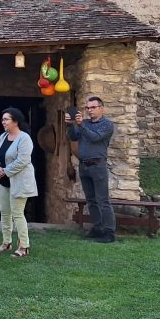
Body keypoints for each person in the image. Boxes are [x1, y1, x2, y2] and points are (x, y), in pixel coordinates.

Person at [67, 96, 117, 243]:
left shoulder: (107, 124)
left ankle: (109, 232)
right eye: (88, 108)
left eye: (93, 107)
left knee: (103, 200)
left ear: (101, 108)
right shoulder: (85, 123)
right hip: (84, 166)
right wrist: (70, 125)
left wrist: (81, 125)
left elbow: (95, 137)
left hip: (98, 165)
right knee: (91, 200)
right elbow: (74, 137)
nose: (90, 110)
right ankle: (98, 228)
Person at [0, 107, 38, 258]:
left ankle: (24, 246)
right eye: (2, 119)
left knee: (17, 213)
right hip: (4, 181)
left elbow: (23, 161)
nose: (3, 122)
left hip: (19, 181)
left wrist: (5, 171)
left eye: (6, 119)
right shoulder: (3, 136)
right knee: (5, 212)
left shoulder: (24, 138)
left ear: (15, 121)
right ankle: (6, 242)